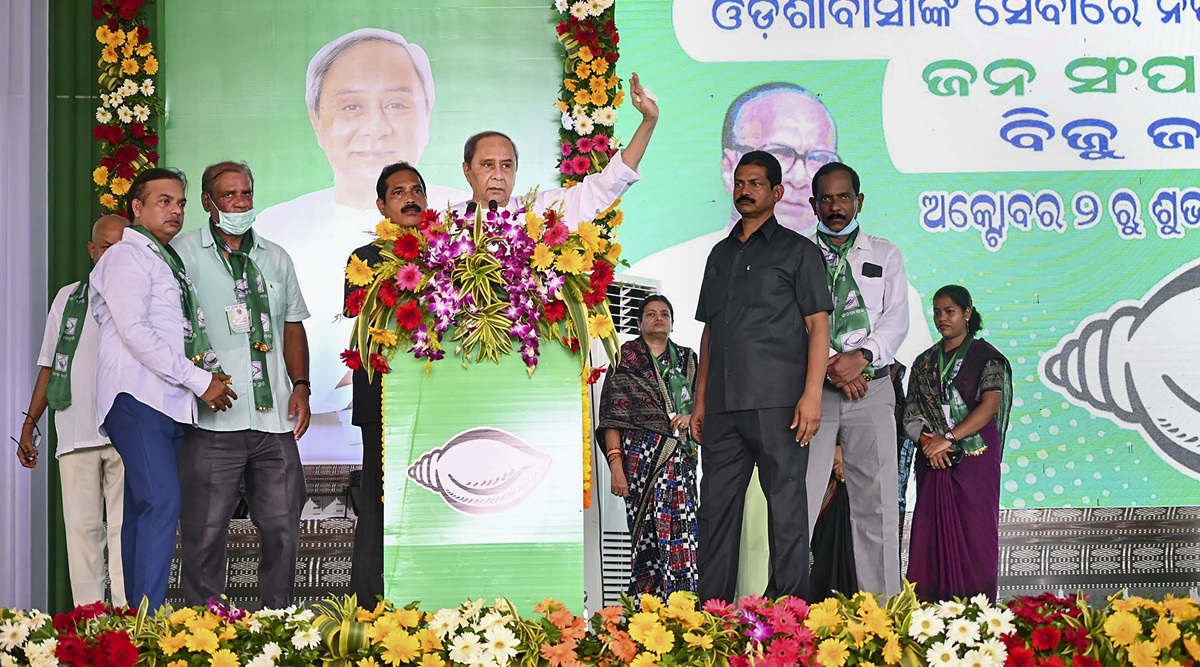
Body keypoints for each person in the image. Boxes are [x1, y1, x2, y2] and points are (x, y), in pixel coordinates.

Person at [255, 28, 467, 431]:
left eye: (396, 104)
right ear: (317, 121)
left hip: (446, 403)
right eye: (351, 106)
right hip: (336, 417)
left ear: (427, 115)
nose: (377, 127)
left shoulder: (462, 227)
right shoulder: (275, 228)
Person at [627, 83, 932, 360]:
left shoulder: (905, 291)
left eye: (818, 158)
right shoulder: (665, 269)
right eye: (781, 153)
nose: (801, 177)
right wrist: (829, 367)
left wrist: (855, 362)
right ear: (729, 166)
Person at [90, 168, 237, 610]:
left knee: (142, 509)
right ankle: (148, 620)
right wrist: (199, 380)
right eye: (163, 201)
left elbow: (176, 332)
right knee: (161, 503)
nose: (175, 210)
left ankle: (134, 617)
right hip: (137, 397)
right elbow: (135, 333)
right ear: (136, 208)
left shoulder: (164, 260)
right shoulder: (125, 256)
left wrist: (209, 373)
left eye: (180, 203)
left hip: (167, 402)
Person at [691, 151, 832, 602]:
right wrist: (700, 402)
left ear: (776, 192)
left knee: (787, 511)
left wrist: (812, 397)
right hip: (723, 407)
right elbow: (711, 332)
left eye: (755, 183)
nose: (745, 190)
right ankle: (709, 614)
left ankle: (789, 613)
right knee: (714, 512)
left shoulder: (799, 251)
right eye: (739, 182)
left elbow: (819, 327)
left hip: (779, 405)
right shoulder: (719, 254)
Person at [173, 161, 311, 609]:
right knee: (205, 533)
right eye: (229, 196)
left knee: (282, 528)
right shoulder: (182, 253)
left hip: (272, 422)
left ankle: (278, 622)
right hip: (213, 422)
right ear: (207, 203)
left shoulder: (275, 256)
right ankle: (204, 629)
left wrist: (302, 386)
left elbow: (292, 326)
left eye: (246, 194)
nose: (241, 204)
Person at [803, 162, 908, 597]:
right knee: (800, 502)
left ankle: (881, 615)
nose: (835, 206)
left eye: (843, 197)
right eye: (825, 198)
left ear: (859, 201)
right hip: (813, 392)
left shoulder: (886, 253)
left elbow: (896, 318)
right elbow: (793, 322)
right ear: (813, 204)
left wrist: (861, 358)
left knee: (878, 505)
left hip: (873, 386)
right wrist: (833, 364)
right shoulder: (797, 253)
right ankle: (785, 614)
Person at [16, 214, 129, 606]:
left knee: (122, 534)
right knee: (81, 535)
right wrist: (30, 423)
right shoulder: (68, 297)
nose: (111, 255)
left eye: (120, 247)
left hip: (127, 436)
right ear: (92, 250)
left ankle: (132, 634)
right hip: (75, 432)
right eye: (105, 247)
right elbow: (49, 365)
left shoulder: (143, 297)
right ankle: (91, 632)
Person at [343, 160, 429, 603]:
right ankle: (371, 604)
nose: (410, 197)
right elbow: (366, 321)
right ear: (381, 205)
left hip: (438, 398)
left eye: (417, 190)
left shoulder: (448, 255)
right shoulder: (365, 260)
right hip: (384, 401)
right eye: (399, 192)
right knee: (380, 500)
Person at [903, 285, 1013, 602]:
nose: (941, 318)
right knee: (930, 539)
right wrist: (928, 442)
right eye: (937, 312)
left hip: (974, 461)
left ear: (967, 313)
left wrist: (948, 439)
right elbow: (910, 411)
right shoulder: (924, 362)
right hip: (933, 461)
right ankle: (927, 619)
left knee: (976, 537)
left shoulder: (989, 358)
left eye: (949, 311)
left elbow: (990, 406)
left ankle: (977, 617)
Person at [451, 72, 658, 229]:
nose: (498, 175)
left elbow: (606, 185)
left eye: (506, 165)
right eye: (488, 165)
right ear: (467, 170)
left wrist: (649, 121)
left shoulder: (538, 212)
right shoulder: (445, 224)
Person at [597, 295, 699, 597]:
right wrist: (617, 470)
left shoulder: (688, 359)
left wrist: (692, 416)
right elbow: (612, 419)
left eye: (665, 313)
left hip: (680, 464)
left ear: (671, 322)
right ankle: (646, 612)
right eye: (651, 314)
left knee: (683, 538)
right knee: (646, 539)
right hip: (640, 467)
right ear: (639, 322)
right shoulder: (624, 359)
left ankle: (684, 609)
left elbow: (706, 407)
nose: (658, 318)